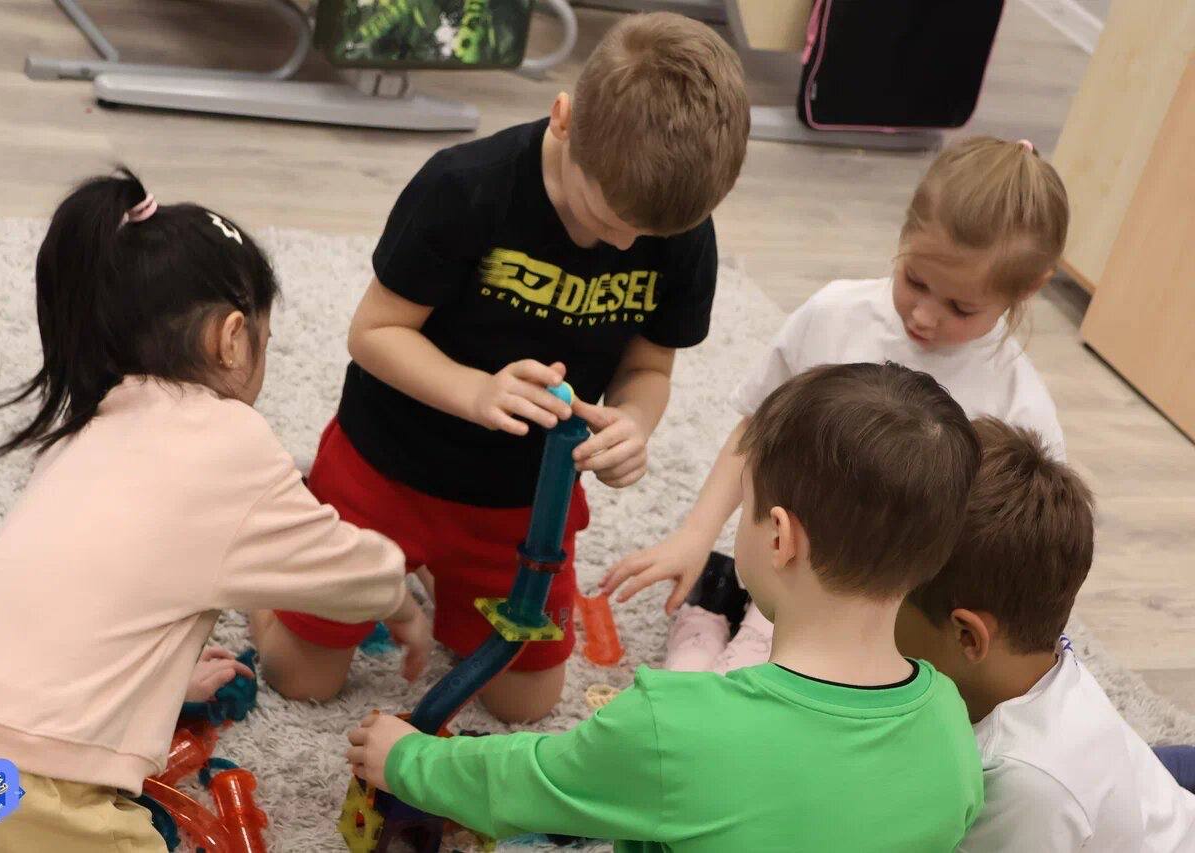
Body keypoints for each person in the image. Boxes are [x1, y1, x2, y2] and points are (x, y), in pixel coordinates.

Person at [254, 12, 752, 722]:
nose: (624, 244)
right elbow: (374, 333)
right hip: (388, 465)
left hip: (525, 500)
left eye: (647, 233)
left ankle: (436, 575)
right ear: (564, 119)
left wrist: (632, 424)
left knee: (526, 703)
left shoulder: (678, 230)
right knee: (300, 677)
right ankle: (269, 562)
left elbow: (650, 367)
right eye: (608, 218)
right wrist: (475, 391)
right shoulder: (465, 187)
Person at [0, 171, 426, 852]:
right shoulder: (231, 440)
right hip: (11, 774)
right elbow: (342, 568)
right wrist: (399, 598)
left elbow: (73, 598)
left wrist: (159, 685)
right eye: (267, 342)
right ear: (233, 338)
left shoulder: (85, 430)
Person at [346, 362, 985, 852]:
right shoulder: (951, 724)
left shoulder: (672, 724)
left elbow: (534, 780)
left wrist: (408, 760)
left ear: (779, 538)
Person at [604, 135, 1071, 674]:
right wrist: (694, 534)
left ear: (1028, 289)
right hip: (787, 560)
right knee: (715, 676)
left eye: (960, 307)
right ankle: (722, 607)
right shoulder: (835, 315)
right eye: (914, 280)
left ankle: (725, 609)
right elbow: (757, 431)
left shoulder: (1018, 405)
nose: (923, 315)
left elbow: (1023, 552)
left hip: (889, 608)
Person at [895, 417, 1195, 851]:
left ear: (967, 637)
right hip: (1157, 801)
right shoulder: (1033, 662)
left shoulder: (1022, 785)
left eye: (885, 602)